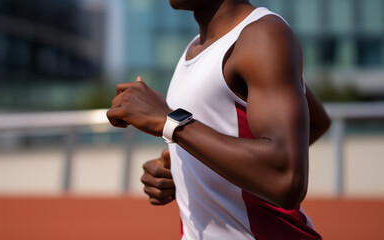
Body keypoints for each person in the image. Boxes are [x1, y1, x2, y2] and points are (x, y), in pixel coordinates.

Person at [107, 0, 331, 239]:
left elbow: (287, 178)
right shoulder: (197, 46)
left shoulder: (263, 35)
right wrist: (189, 164)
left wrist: (169, 121)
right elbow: (315, 122)